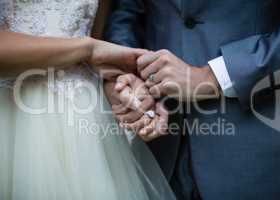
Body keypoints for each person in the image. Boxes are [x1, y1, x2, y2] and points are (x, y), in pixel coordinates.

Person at [105, 0, 280, 199]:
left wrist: (213, 76)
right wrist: (129, 73)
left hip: (261, 149)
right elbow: (127, 9)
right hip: (158, 149)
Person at [0, 0, 175, 199]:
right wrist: (88, 49)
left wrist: (116, 83)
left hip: (86, 115)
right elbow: (92, 47)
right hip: (16, 113)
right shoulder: (89, 48)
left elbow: (94, 35)